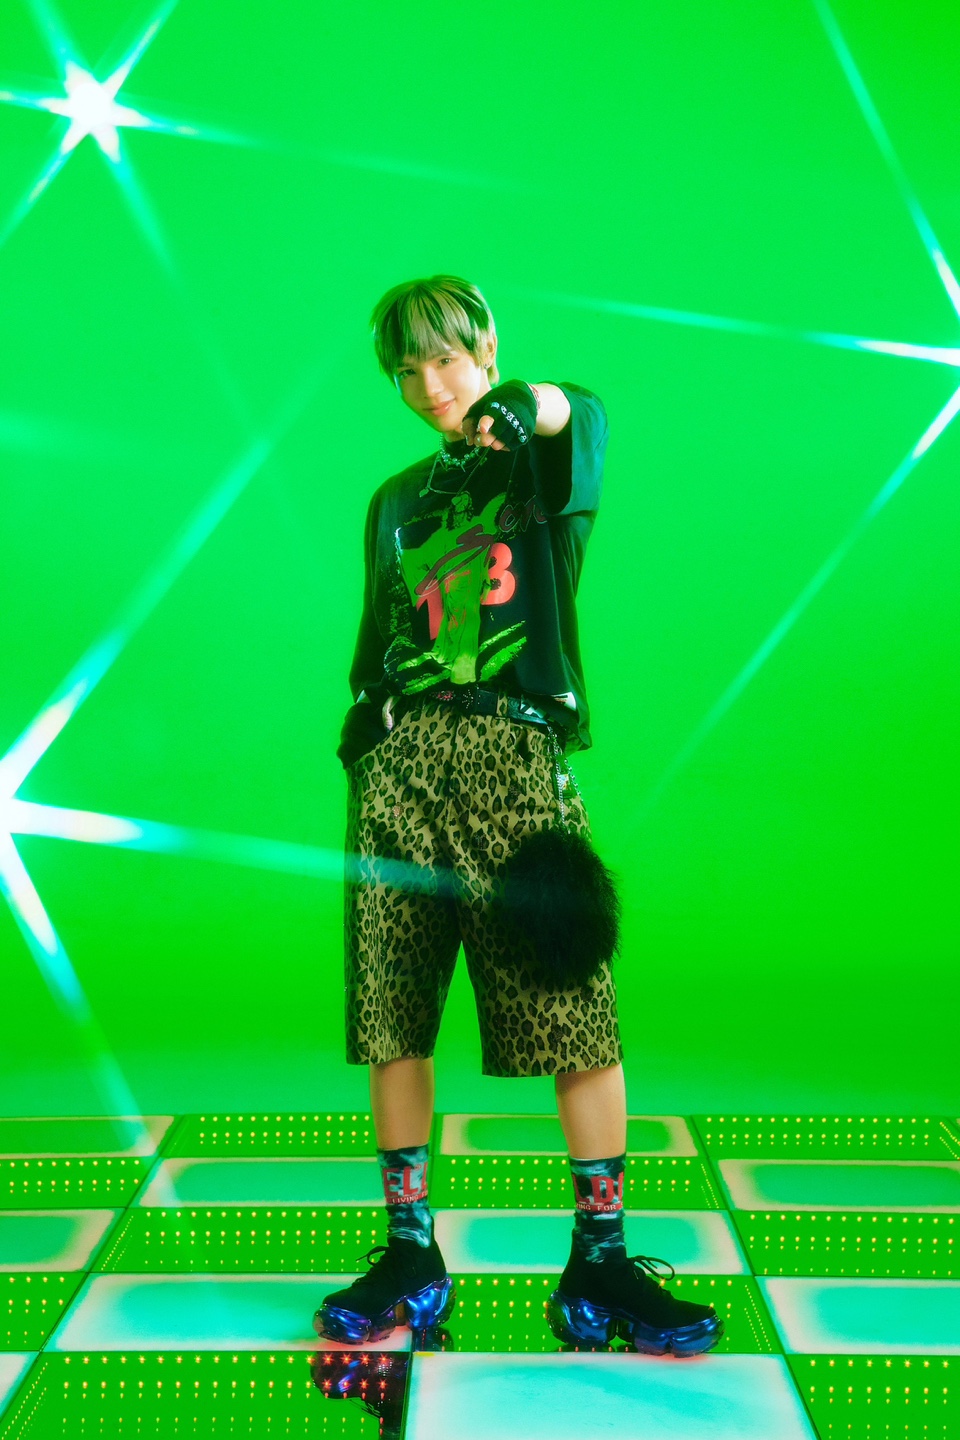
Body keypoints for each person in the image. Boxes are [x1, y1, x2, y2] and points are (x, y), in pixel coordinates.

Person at [313, 275, 721, 1356]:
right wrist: (368, 735)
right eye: (407, 370)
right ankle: (410, 1255)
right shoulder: (394, 500)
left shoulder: (541, 465)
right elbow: (380, 636)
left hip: (513, 759)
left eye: (447, 359)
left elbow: (576, 409)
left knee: (572, 1010)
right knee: (393, 1016)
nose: (429, 386)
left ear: (487, 348)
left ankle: (601, 1264)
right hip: (401, 771)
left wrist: (521, 404)